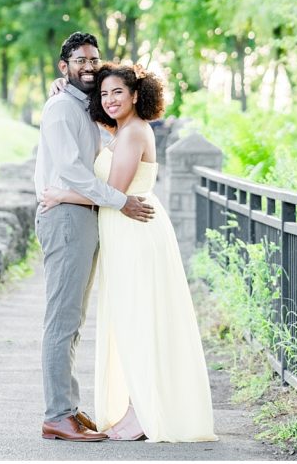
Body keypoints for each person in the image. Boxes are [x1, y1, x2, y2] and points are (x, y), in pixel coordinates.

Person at [41, 63, 217, 443]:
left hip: (135, 234)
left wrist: (61, 194)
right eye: (103, 94)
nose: (109, 99)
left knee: (141, 319)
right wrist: (63, 86)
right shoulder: (120, 130)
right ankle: (136, 407)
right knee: (130, 320)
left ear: (136, 94)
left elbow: (115, 191)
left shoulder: (135, 132)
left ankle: (143, 413)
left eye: (118, 92)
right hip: (122, 233)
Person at [33, 33, 155, 442]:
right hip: (67, 217)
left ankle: (67, 407)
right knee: (63, 318)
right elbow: (72, 171)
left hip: (83, 217)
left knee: (74, 319)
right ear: (63, 66)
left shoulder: (85, 108)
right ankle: (57, 414)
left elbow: (106, 149)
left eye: (94, 60)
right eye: (79, 60)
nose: (88, 66)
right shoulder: (60, 110)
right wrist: (120, 201)